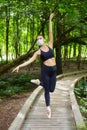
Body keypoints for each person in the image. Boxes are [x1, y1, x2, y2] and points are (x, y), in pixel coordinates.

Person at [12, 13, 57, 119]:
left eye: (40, 38)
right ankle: (48, 109)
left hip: (54, 70)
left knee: (51, 90)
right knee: (47, 91)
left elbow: (50, 32)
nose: (39, 40)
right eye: (38, 39)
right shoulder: (38, 52)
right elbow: (29, 61)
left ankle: (38, 82)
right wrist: (19, 66)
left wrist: (50, 20)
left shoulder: (50, 45)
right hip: (46, 71)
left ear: (44, 39)